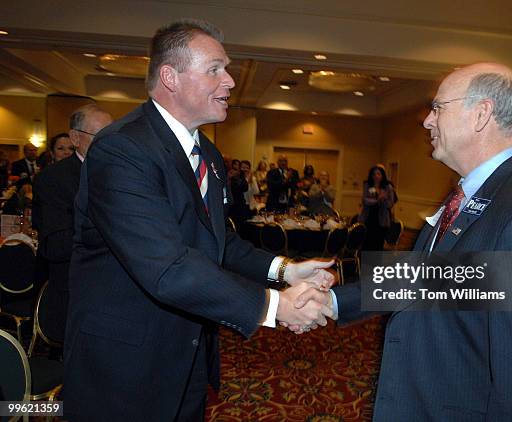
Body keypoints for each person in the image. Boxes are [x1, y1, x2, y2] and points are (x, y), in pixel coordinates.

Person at [62, 20, 334, 422]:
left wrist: (285, 271)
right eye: (215, 69)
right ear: (170, 77)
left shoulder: (205, 152)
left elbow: (217, 241)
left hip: (187, 354)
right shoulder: (122, 149)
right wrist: (275, 306)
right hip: (124, 363)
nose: (229, 81)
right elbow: (167, 265)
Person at [294, 62, 512, 421]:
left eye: (439, 108)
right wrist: (334, 300)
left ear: (481, 114)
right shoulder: (468, 193)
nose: (427, 121)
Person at [32, 104, 113, 344]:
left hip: (119, 295)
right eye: (100, 136)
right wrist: (112, 227)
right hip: (79, 296)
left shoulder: (122, 172)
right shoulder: (54, 179)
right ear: (76, 138)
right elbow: (55, 246)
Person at [359, 165, 395, 250]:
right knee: (366, 242)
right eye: (374, 174)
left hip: (382, 219)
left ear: (382, 175)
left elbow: (390, 204)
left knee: (378, 243)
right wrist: (378, 199)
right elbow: (365, 200)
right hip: (368, 217)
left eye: (378, 174)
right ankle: (365, 262)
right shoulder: (368, 185)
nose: (376, 176)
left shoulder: (388, 187)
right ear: (371, 176)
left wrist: (384, 198)